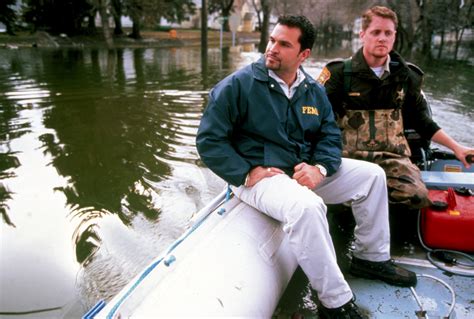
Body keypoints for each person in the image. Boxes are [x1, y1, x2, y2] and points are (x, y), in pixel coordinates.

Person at [196, 15, 416, 318]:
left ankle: (371, 258)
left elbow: (329, 135)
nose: (272, 48)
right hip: (261, 176)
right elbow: (209, 141)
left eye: (284, 44)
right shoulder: (238, 86)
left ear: (303, 55)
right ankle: (334, 303)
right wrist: (246, 172)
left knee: (372, 176)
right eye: (272, 40)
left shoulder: (312, 90)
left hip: (301, 171)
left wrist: (320, 169)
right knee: (308, 207)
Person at [318, 6, 474, 209]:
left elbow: (422, 121)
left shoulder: (407, 76)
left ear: (394, 36)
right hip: (348, 158)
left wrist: (457, 148)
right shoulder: (338, 73)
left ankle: (389, 221)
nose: (382, 38)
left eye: (388, 33)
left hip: (391, 159)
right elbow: (316, 118)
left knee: (417, 196)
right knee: (331, 198)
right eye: (375, 32)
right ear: (363, 34)